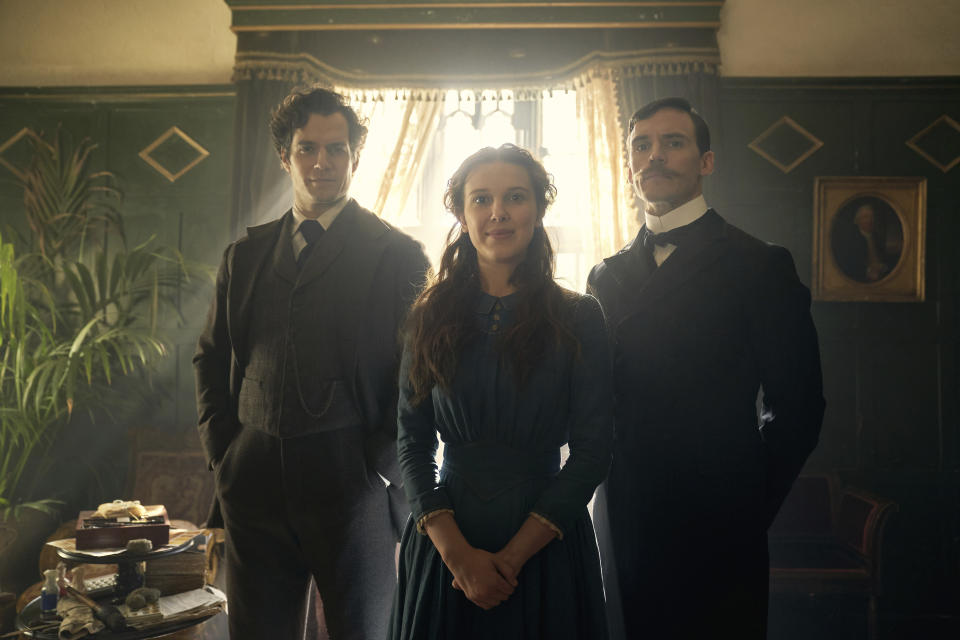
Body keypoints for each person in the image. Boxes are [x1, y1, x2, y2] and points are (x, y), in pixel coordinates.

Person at [193, 86, 430, 640]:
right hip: (251, 480)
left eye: (336, 149)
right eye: (307, 148)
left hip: (355, 485)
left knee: (365, 632)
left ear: (353, 157)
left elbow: (418, 375)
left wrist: (386, 469)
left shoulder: (396, 255)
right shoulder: (245, 255)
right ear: (286, 156)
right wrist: (222, 454)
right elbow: (211, 357)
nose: (321, 161)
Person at [587, 97, 825, 638]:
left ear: (706, 162)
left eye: (673, 142)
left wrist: (746, 500)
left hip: (720, 512)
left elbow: (800, 406)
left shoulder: (759, 264)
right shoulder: (605, 275)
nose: (655, 156)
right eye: (641, 145)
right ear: (629, 164)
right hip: (626, 510)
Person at [388, 144, 612, 640]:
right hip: (447, 539)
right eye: (481, 199)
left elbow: (594, 451)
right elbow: (412, 442)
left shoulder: (579, 317)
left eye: (515, 196)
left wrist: (510, 560)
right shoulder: (428, 317)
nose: (498, 212)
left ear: (537, 209)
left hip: (545, 540)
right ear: (463, 217)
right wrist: (458, 558)